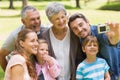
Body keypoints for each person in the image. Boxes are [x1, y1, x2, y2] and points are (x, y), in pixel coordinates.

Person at [68, 13, 120, 80]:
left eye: (81, 25)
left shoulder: (100, 32)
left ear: (87, 21)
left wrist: (115, 39)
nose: (79, 30)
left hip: (115, 75)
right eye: (75, 29)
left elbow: (112, 41)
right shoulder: (79, 40)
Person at [41, 2, 83, 80]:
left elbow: (79, 57)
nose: (61, 21)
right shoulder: (44, 36)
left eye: (63, 17)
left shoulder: (74, 33)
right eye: (57, 19)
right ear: (50, 21)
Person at [0, 5, 47, 71]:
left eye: (38, 18)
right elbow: (2, 54)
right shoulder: (16, 35)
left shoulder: (44, 30)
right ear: (23, 21)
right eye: (32, 19)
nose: (37, 22)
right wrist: (9, 73)